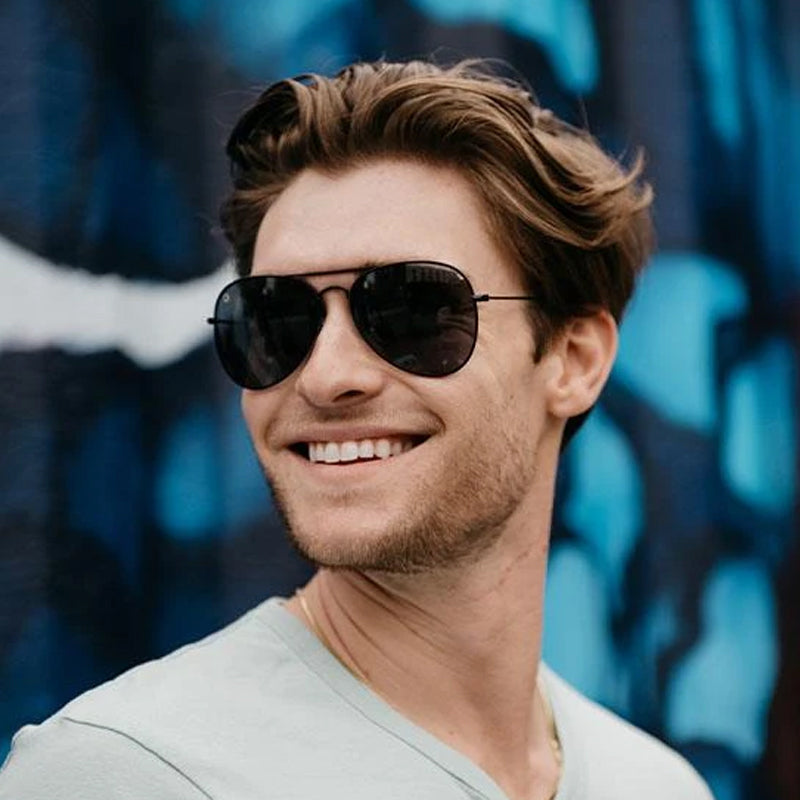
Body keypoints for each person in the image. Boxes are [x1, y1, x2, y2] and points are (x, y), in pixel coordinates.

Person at [0, 59, 714, 800]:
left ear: (573, 359)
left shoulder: (657, 786)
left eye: (412, 310)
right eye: (277, 319)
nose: (326, 374)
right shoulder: (123, 774)